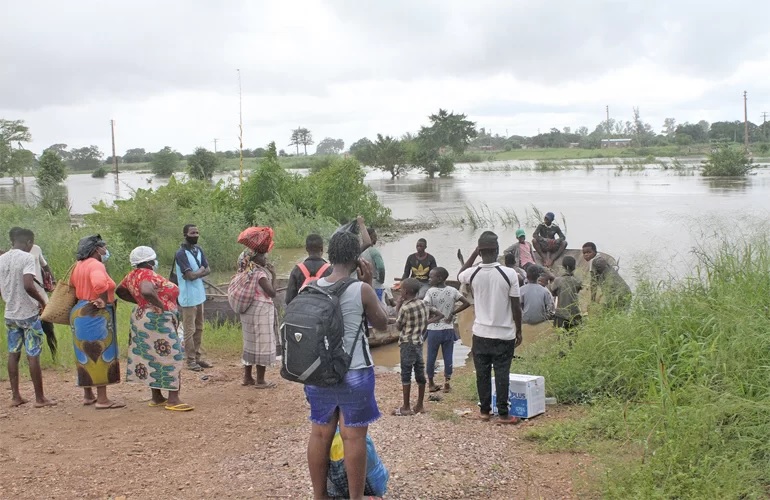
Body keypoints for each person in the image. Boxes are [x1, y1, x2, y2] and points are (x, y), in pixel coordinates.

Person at [304, 231, 388, 500]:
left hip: (319, 372)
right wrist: (371, 283)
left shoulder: (311, 287)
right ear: (357, 259)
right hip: (355, 371)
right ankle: (356, 497)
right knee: (354, 437)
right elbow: (382, 323)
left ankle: (319, 496)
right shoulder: (360, 289)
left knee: (319, 434)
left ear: (330, 256)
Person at [116, 246, 192, 412]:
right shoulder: (146, 274)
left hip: (142, 317)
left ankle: (157, 396)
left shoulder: (131, 275)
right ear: (150, 262)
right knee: (172, 354)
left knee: (151, 355)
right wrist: (160, 306)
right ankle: (173, 399)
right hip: (157, 319)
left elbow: (119, 291)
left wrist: (140, 303)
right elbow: (146, 290)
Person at [458, 231, 522, 424]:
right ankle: (503, 414)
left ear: (480, 251)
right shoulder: (509, 274)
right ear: (496, 250)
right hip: (504, 334)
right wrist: (519, 330)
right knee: (502, 373)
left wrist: (473, 254)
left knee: (482, 374)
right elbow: (515, 306)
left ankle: (485, 412)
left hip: (481, 334)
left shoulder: (473, 273)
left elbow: (460, 274)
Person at [0, 228, 56, 408]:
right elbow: (28, 285)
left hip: (10, 314)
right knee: (33, 354)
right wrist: (42, 302)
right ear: (29, 243)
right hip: (29, 314)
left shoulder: (2, 259)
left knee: (13, 353)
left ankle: (16, 396)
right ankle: (40, 398)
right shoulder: (27, 258)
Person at [70, 234, 124, 409]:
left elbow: (73, 285)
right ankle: (102, 399)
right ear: (96, 249)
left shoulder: (78, 265)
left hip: (79, 311)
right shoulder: (96, 265)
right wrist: (101, 299)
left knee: (85, 354)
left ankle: (88, 395)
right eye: (103, 247)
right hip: (95, 312)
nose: (105, 250)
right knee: (100, 352)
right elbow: (100, 284)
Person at [393, 278, 442, 416]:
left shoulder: (405, 308)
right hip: (419, 342)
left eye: (401, 289)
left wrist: (397, 307)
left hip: (407, 343)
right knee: (420, 372)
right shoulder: (423, 303)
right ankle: (420, 405)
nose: (400, 291)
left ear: (406, 292)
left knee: (406, 374)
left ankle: (406, 407)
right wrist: (426, 322)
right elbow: (440, 314)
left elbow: (398, 326)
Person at [423, 267, 471, 393]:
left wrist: (429, 317)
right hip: (448, 329)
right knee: (448, 356)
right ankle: (447, 384)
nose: (429, 278)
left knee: (431, 357)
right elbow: (466, 303)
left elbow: (425, 305)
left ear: (439, 278)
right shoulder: (452, 290)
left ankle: (431, 384)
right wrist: (452, 313)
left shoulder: (430, 292)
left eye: (431, 276)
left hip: (433, 329)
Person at [9, 227, 56, 356]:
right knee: (29, 330)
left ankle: (54, 353)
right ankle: (33, 356)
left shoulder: (36, 249)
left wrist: (53, 281)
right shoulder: (11, 256)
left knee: (49, 327)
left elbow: (45, 265)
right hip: (27, 296)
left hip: (39, 292)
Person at [237, 248, 278, 389]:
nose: (265, 258)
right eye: (262, 256)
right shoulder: (260, 274)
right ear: (254, 259)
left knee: (250, 342)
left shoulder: (245, 272)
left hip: (248, 311)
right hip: (260, 311)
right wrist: (273, 274)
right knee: (263, 344)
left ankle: (247, 377)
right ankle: (261, 380)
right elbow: (272, 293)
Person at [174, 224, 212, 371]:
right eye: (192, 233)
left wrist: (198, 272)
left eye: (197, 232)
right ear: (185, 234)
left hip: (199, 295)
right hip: (188, 297)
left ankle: (197, 357)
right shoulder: (181, 253)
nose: (195, 235)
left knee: (199, 327)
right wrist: (200, 271)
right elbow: (189, 276)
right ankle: (190, 360)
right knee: (189, 330)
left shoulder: (199, 250)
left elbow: (207, 269)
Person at [582, 242, 632, 310]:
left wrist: (592, 301)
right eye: (584, 253)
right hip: (625, 291)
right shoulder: (601, 260)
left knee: (606, 313)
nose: (586, 255)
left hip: (616, 293)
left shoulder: (594, 261)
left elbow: (593, 283)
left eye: (589, 252)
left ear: (595, 252)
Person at [285, 234, 332, 305]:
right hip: (323, 313)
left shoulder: (297, 270)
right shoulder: (330, 270)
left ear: (306, 249)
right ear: (322, 249)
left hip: (301, 312)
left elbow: (289, 299)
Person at [549, 256, 583, 330]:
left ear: (563, 267)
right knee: (574, 337)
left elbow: (553, 292)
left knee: (560, 337)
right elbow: (577, 290)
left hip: (561, 315)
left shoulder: (557, 280)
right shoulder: (577, 281)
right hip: (575, 314)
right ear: (574, 267)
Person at [360, 228, 386, 302]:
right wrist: (380, 281)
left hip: (362, 283)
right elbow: (381, 268)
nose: (376, 238)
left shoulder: (359, 251)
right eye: (375, 236)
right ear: (371, 237)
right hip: (375, 283)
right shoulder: (374, 252)